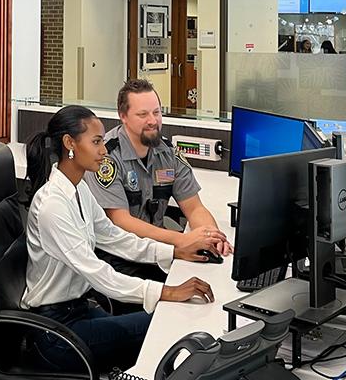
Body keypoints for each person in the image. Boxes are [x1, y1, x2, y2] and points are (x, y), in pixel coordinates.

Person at [22, 105, 217, 373]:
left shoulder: (78, 189)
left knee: (165, 324)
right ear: (70, 143)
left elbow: (116, 238)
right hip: (55, 333)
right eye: (96, 142)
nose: (104, 150)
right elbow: (97, 272)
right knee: (169, 326)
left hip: (79, 311)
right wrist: (166, 292)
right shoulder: (52, 205)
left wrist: (172, 252)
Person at [86, 79, 232, 288]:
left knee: (208, 284)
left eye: (156, 112)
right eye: (142, 114)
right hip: (118, 259)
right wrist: (181, 240)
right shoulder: (106, 158)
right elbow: (120, 220)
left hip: (159, 252)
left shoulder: (167, 152)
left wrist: (211, 236)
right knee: (179, 302)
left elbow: (194, 207)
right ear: (123, 116)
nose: (153, 120)